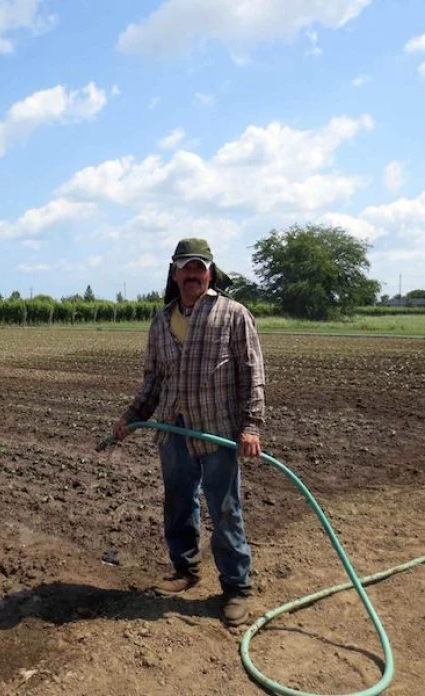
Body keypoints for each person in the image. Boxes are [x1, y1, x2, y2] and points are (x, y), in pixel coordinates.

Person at [112, 238, 265, 627]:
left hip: (216, 428)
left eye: (200, 267)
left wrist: (251, 426)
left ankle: (236, 588)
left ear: (210, 273)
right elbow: (152, 381)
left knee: (225, 508)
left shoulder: (233, 314)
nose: (193, 274)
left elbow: (252, 375)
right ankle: (186, 569)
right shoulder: (161, 322)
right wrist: (131, 417)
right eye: (186, 267)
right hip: (172, 427)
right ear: (175, 273)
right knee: (178, 502)